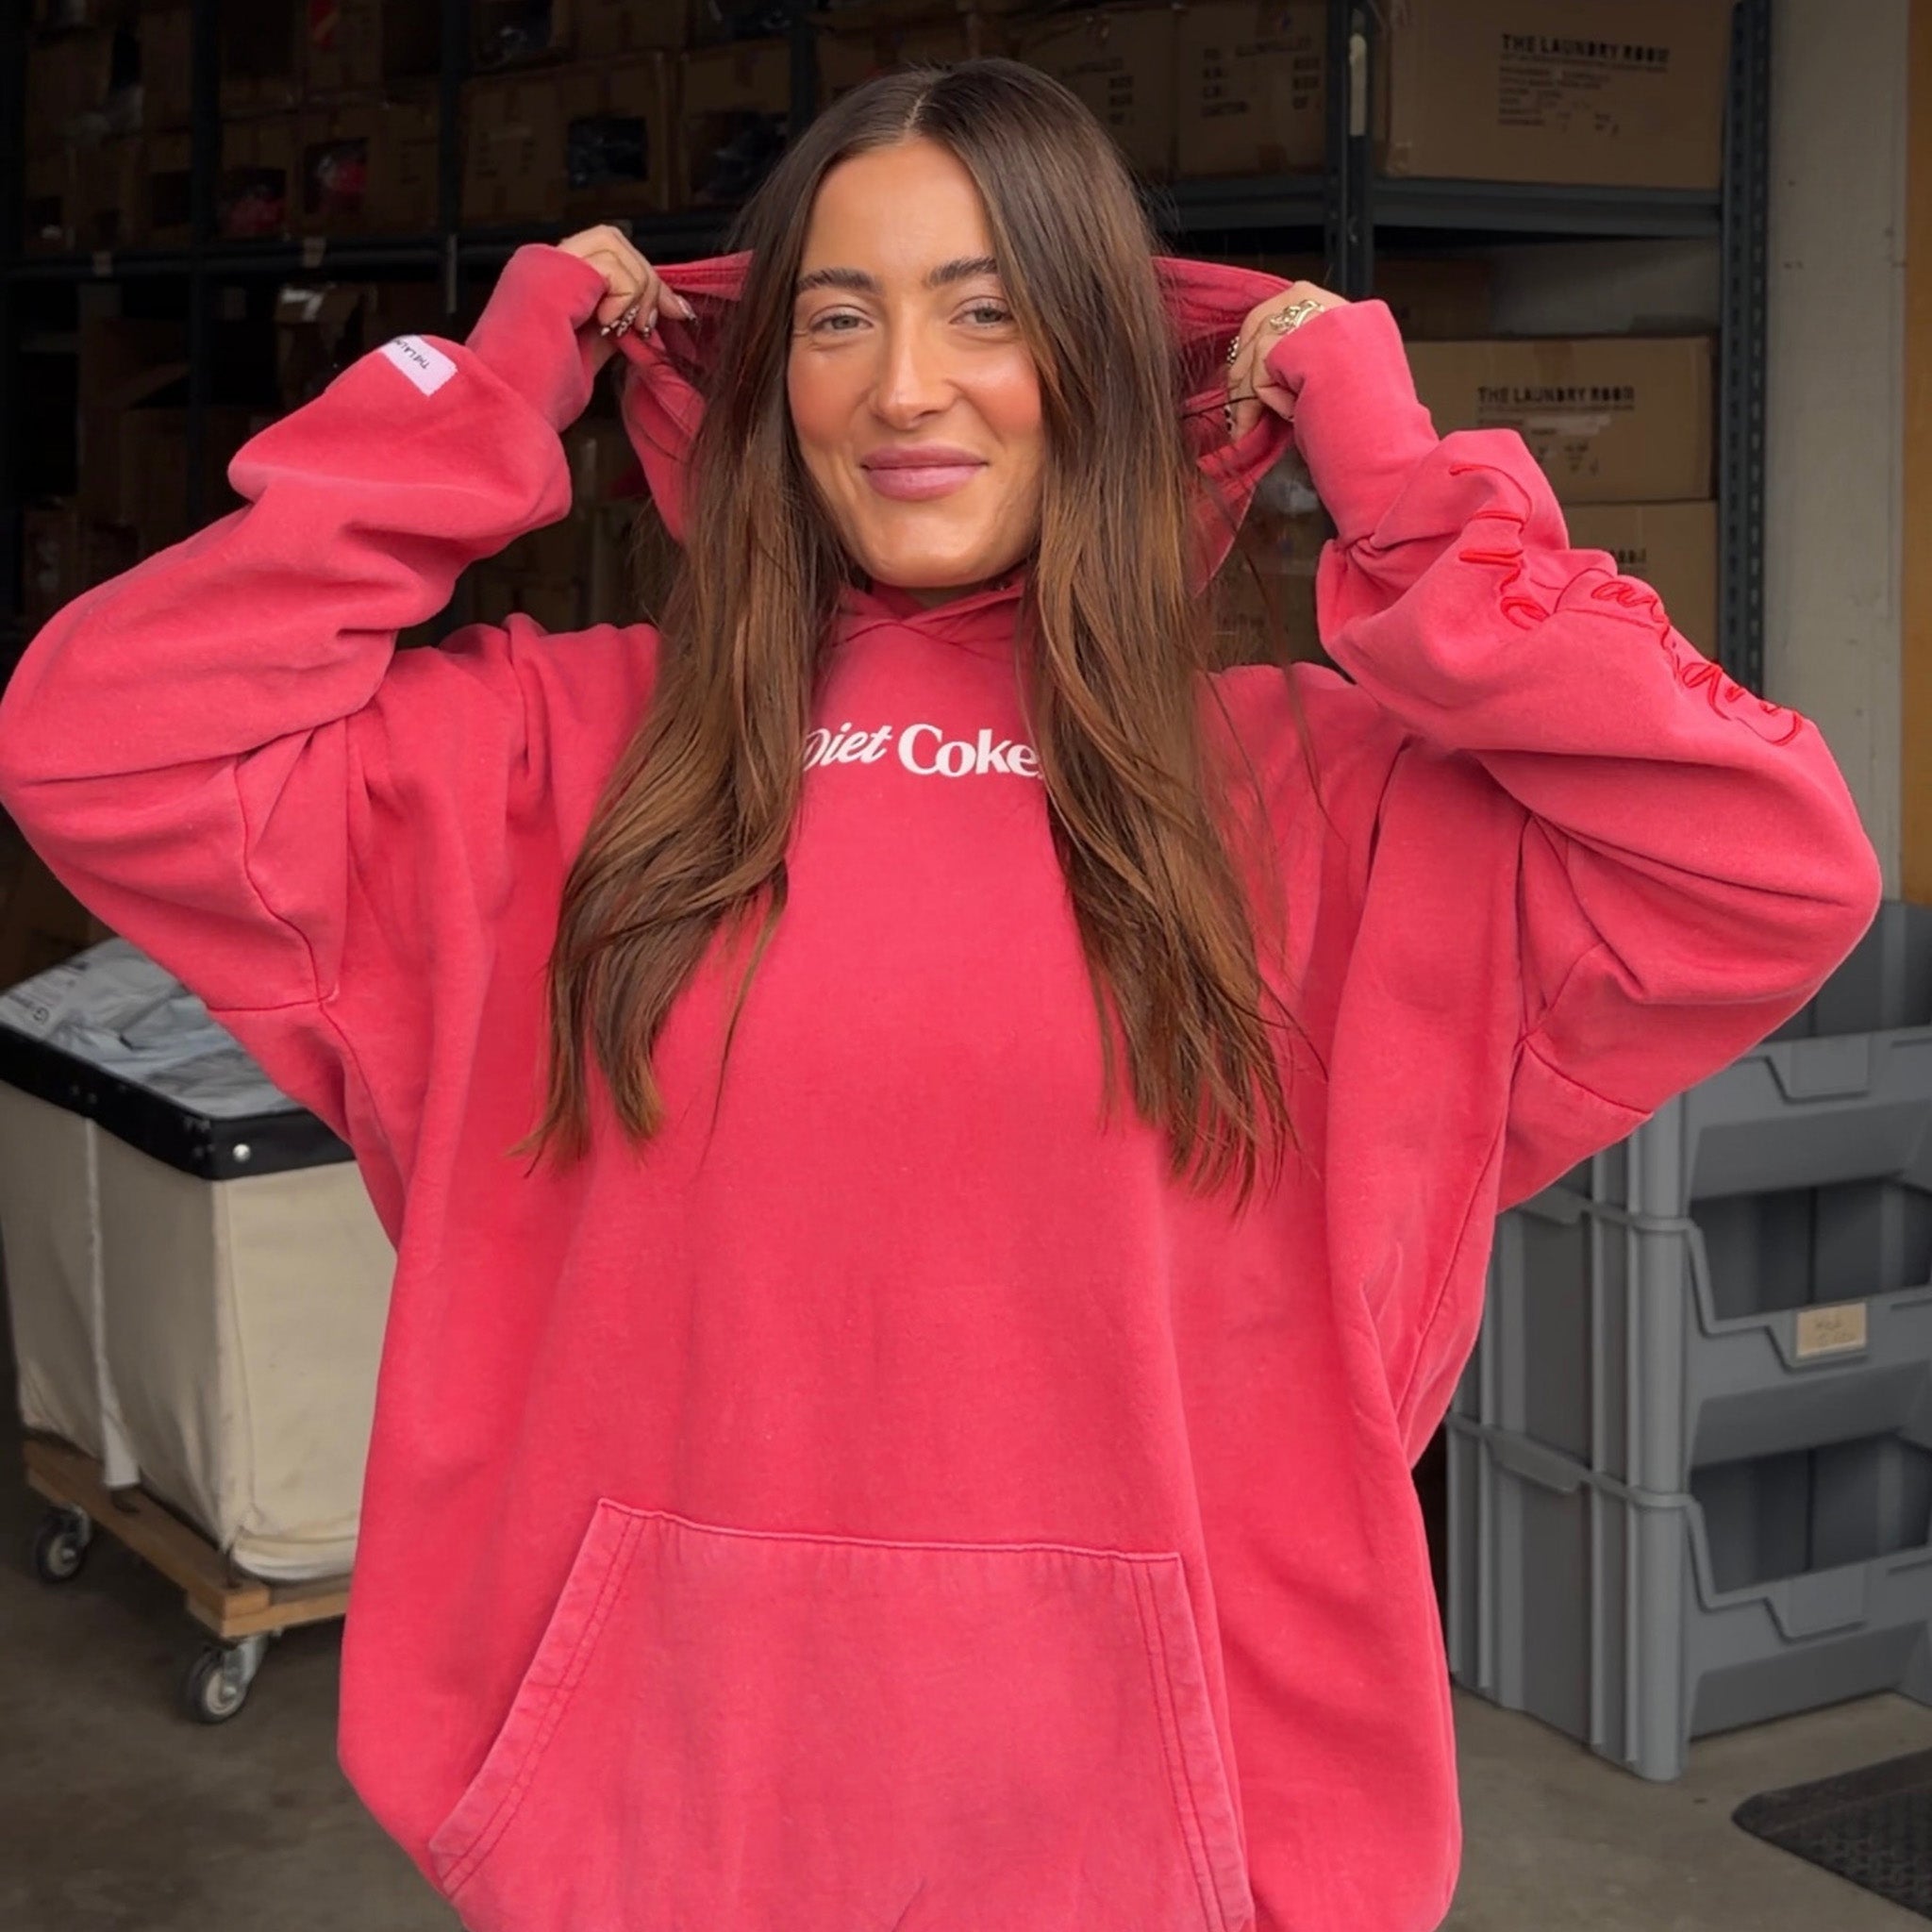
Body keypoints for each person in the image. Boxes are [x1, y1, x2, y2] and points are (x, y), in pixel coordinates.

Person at [0, 57, 1879, 1932]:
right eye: (838, 319)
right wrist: (486, 398)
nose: (905, 386)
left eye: (989, 312)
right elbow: (101, 740)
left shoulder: (1324, 799)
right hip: (643, 1832)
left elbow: (1770, 864)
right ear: (767, 381)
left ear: (1104, 362)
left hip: (1159, 1863)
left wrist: (1398, 478)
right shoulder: (548, 754)